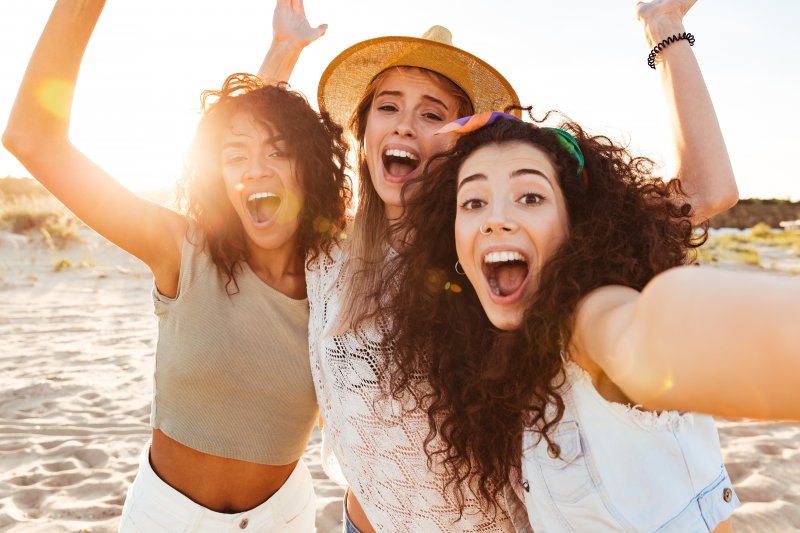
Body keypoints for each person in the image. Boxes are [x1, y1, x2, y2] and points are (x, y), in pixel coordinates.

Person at [257, 0, 739, 530]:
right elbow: (242, 175)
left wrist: (662, 28)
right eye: (388, 107)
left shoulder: (496, 255)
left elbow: (708, 190)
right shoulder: (324, 254)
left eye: (433, 114)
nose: (405, 127)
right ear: (364, 129)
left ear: (461, 137)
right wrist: (281, 55)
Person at [3, 1, 350, 531]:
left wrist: (280, 57)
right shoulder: (184, 251)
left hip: (288, 517)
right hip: (168, 518)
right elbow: (33, 139)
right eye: (236, 157)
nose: (255, 169)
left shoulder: (336, 277)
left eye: (279, 151)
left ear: (309, 165)